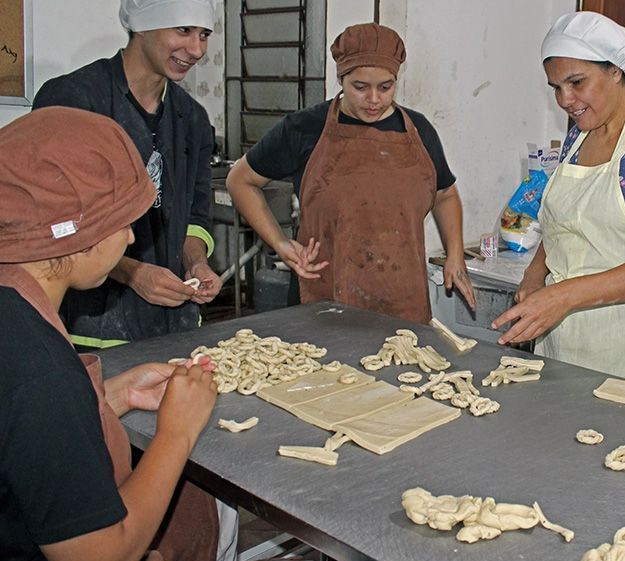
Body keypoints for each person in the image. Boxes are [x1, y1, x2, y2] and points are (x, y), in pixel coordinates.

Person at [0, 108, 233, 561]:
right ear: (78, 236)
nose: (129, 240)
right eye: (121, 223)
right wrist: (176, 433)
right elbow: (101, 554)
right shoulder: (39, 368)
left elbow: (24, 438)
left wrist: (112, 398)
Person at [492, 11, 625, 390]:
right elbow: (566, 222)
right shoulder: (579, 136)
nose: (565, 100)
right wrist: (535, 273)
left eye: (576, 82)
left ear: (615, 71)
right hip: (563, 343)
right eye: (555, 87)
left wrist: (564, 296)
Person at [226, 22, 474, 323]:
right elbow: (240, 180)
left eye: (385, 87)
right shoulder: (305, 128)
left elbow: (445, 194)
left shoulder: (419, 131)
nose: (374, 100)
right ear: (341, 79)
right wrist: (279, 242)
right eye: (360, 87)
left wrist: (455, 255)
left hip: (402, 301)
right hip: (323, 299)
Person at [32, 0, 222, 349]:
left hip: (174, 328)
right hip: (88, 327)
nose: (196, 50)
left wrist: (196, 264)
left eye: (204, 34)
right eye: (182, 30)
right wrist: (132, 273)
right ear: (141, 25)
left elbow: (195, 214)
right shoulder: (73, 100)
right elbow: (53, 224)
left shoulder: (192, 119)